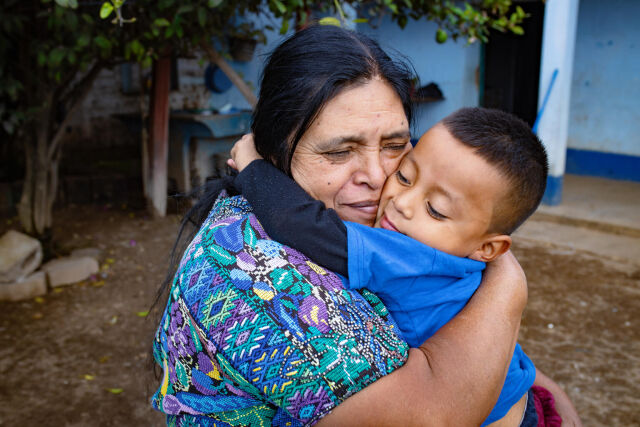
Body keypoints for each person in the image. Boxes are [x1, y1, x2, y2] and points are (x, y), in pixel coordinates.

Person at [151, 25, 579, 426]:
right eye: (339, 152)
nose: (378, 177)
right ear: (273, 151)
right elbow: (432, 415)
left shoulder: (394, 229)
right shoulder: (256, 275)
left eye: (395, 146)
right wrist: (508, 287)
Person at [228, 107, 560, 426]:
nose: (402, 202)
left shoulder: (411, 254)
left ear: (488, 248)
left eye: (437, 210)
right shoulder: (466, 259)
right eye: (404, 176)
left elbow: (304, 227)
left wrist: (252, 167)